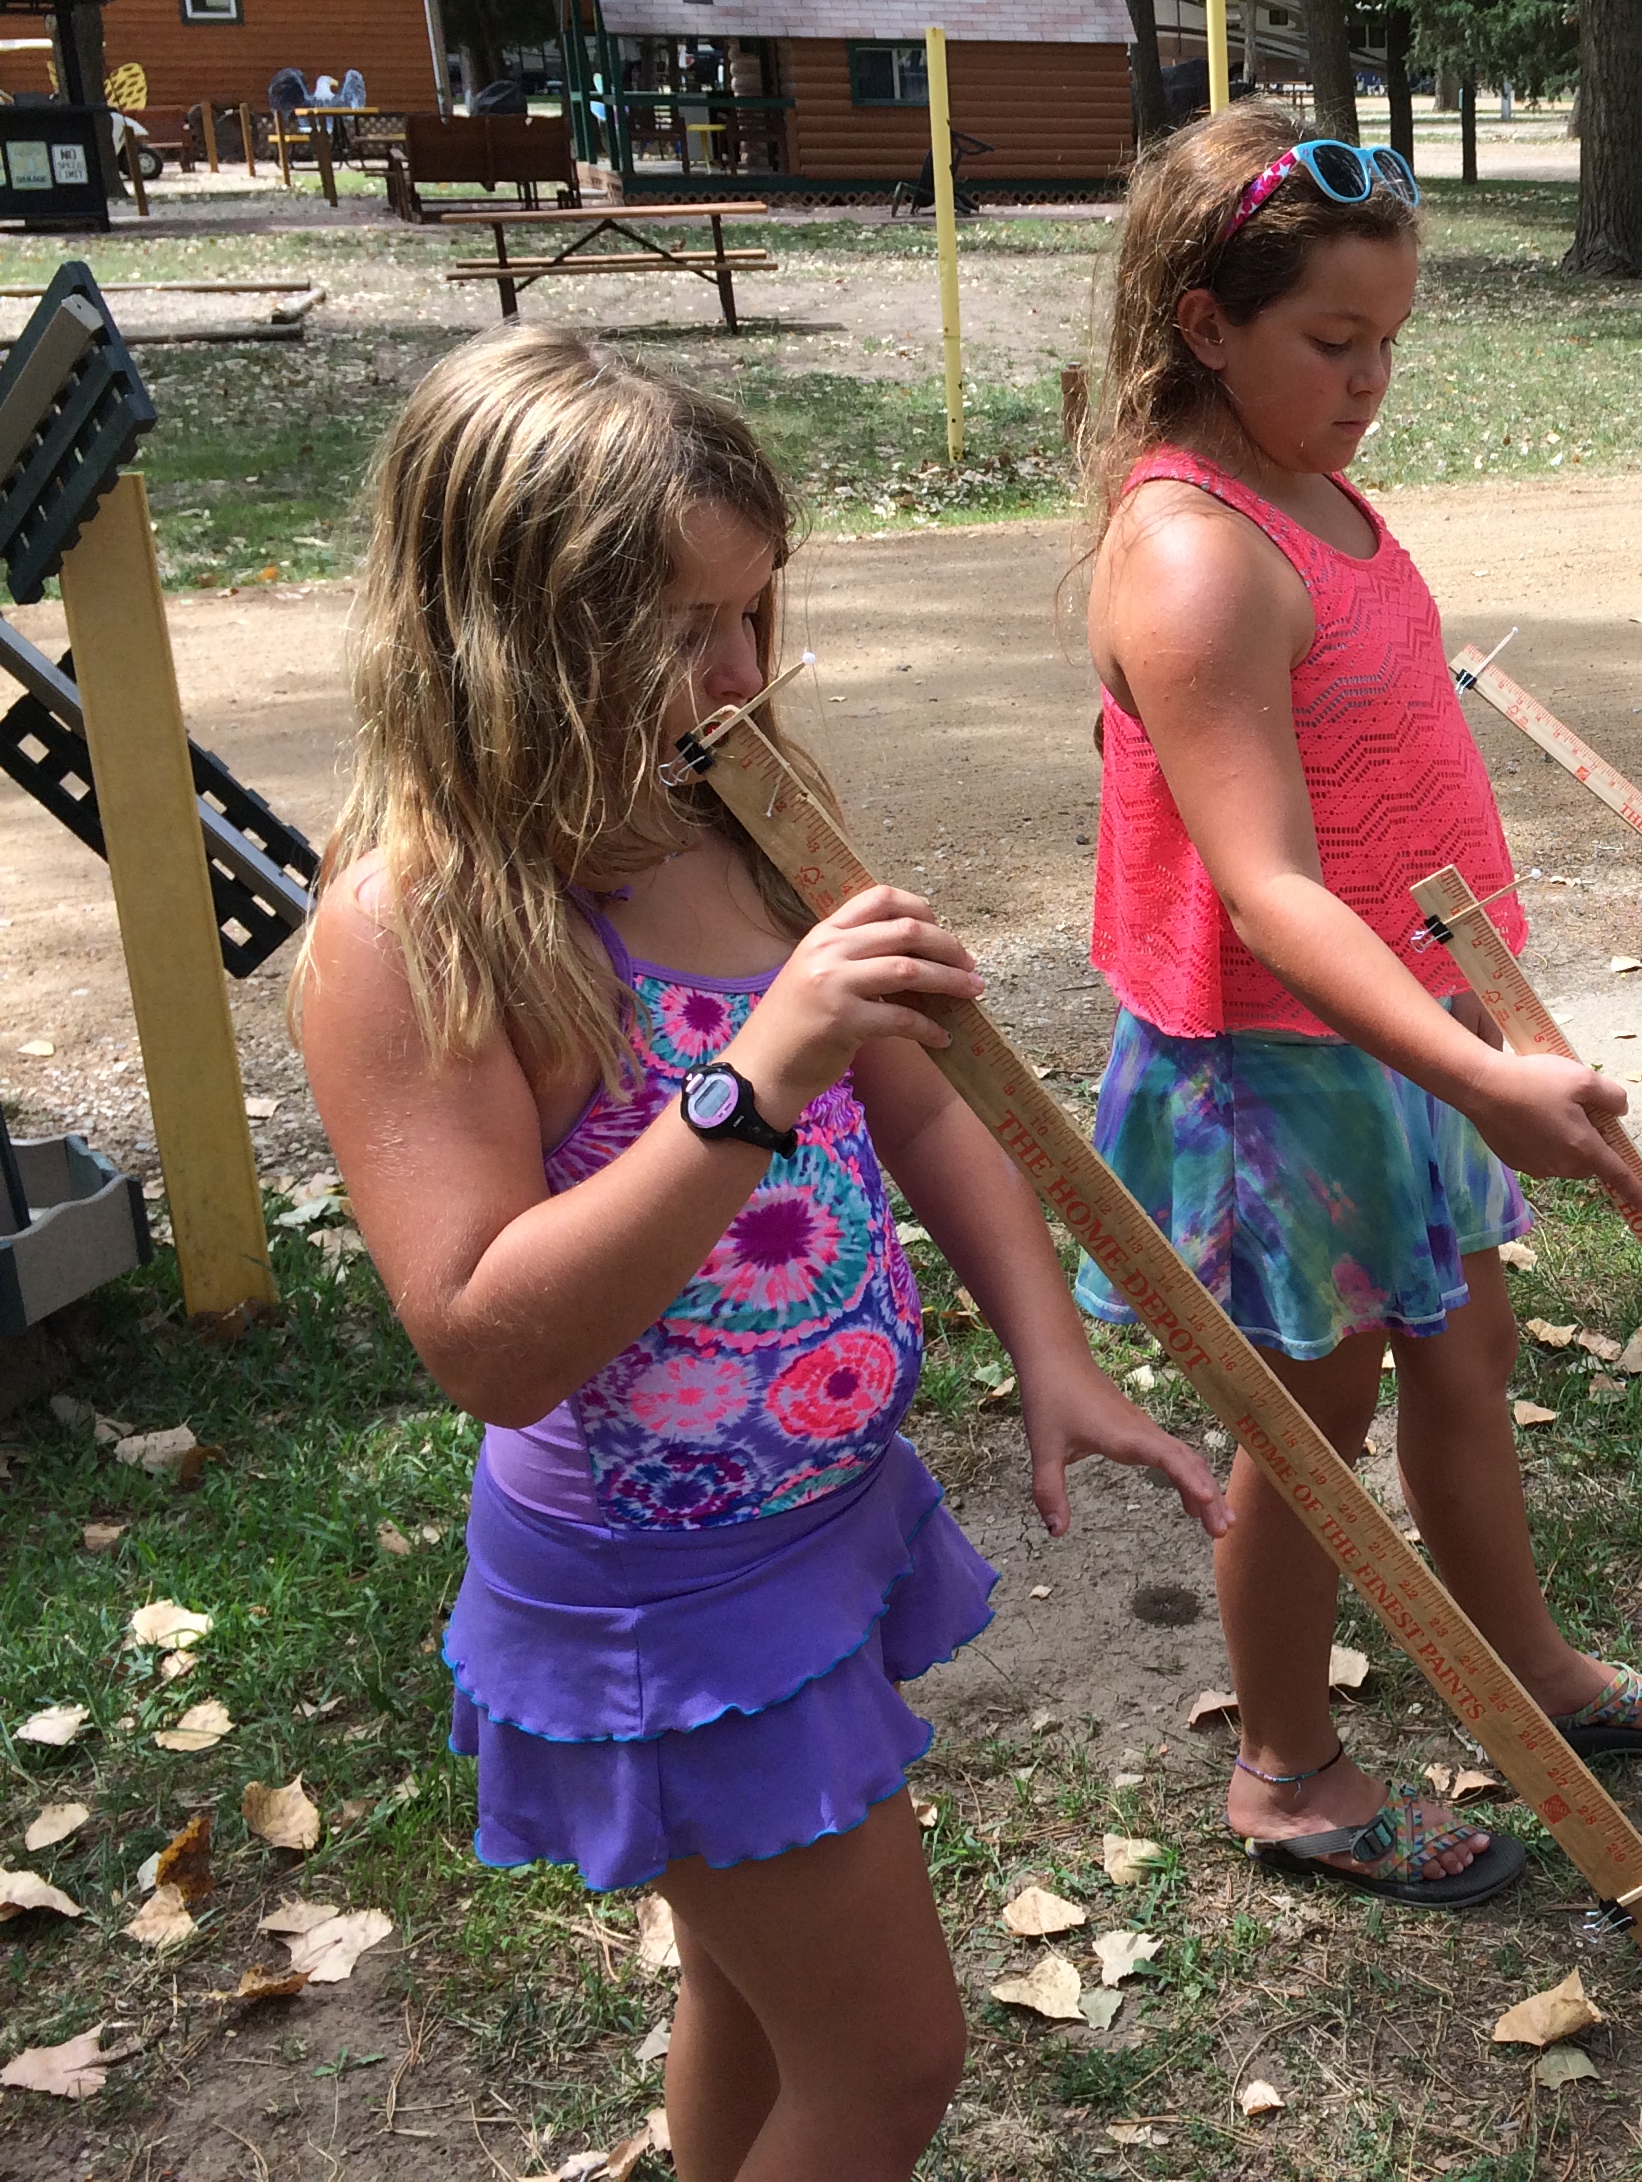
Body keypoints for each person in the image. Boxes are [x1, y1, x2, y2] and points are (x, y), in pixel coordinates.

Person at [297, 328, 1230, 2181]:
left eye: (753, 613)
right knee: (887, 2066)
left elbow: (928, 1107)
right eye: (680, 633)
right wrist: (752, 1079)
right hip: (655, 1596)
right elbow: (488, 1340)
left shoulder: (738, 812)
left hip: (811, 1527)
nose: (739, 675)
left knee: (752, 2002)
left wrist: (1049, 1348)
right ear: (506, 640)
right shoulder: (417, 931)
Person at [1071, 99, 1642, 1910]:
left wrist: (1480, 1042)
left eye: (1389, 340)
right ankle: (1287, 1772)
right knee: (1309, 1433)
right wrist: (1478, 1069)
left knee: (1467, 1355)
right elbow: (1268, 887)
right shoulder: (1197, 551)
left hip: (1404, 1035)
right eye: (1332, 341)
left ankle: (1535, 1678)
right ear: (1206, 324)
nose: (1371, 380)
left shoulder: (1311, 486)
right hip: (1281, 1065)